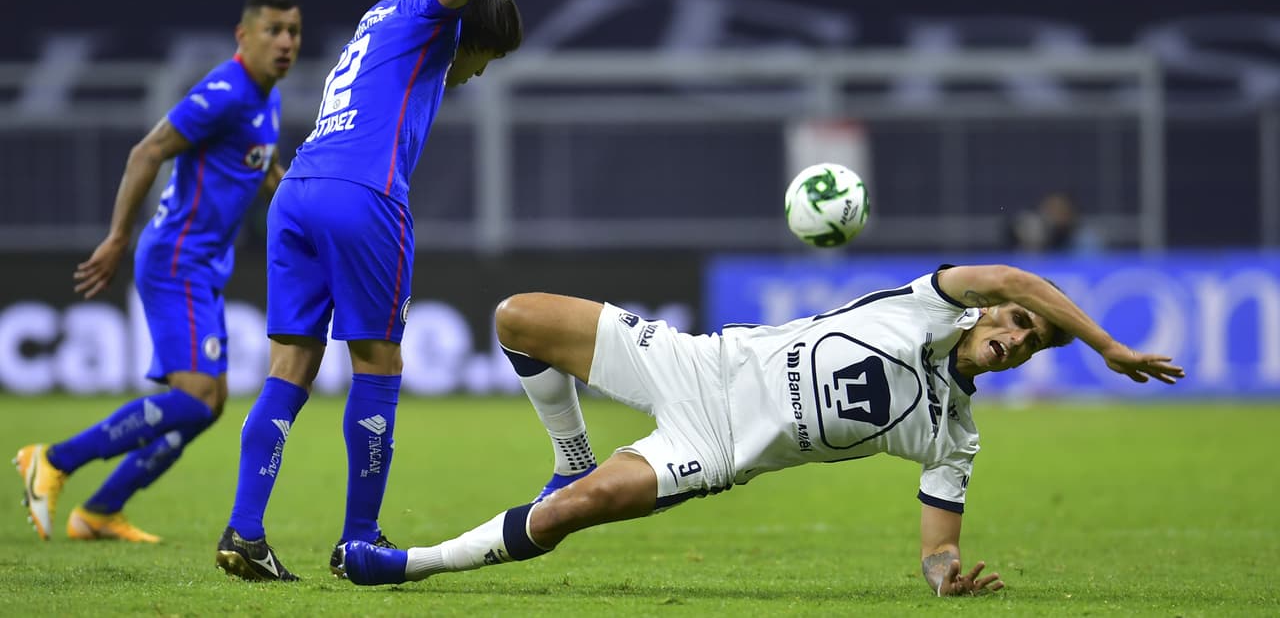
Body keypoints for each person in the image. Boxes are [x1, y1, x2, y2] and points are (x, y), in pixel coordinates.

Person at [330, 263, 1184, 597]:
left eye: (1034, 341)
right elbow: (1009, 272)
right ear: (988, 310)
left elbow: (937, 543)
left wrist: (944, 578)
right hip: (701, 363)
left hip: (716, 451)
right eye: (1019, 319)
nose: (1019, 334)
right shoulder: (925, 304)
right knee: (517, 316)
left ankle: (403, 565)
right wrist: (1106, 343)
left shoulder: (951, 433)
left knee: (563, 520)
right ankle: (569, 454)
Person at [215, 0, 526, 582]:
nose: (479, 70)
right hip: (364, 196)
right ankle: (360, 538)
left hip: (298, 189)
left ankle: (244, 529)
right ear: (474, 33)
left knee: (290, 366)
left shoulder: (381, 17)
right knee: (379, 363)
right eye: (488, 55)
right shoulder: (434, 13)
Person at [13, 0, 303, 543]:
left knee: (206, 405)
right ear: (244, 36)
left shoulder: (266, 97)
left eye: (293, 30)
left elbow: (262, 170)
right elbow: (147, 152)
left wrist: (299, 206)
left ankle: (99, 511)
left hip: (204, 265)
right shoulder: (224, 91)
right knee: (195, 397)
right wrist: (118, 236)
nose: (285, 42)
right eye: (273, 30)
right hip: (177, 257)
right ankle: (53, 459)